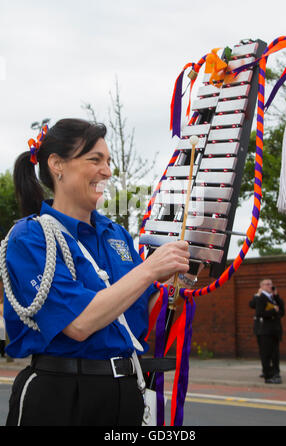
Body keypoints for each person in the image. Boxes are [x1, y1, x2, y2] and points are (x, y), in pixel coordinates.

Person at [1, 118, 191, 426]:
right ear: (57, 165)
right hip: (62, 395)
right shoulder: (29, 237)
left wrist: (179, 281)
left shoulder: (116, 233)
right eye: (95, 159)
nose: (107, 171)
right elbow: (79, 324)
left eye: (108, 161)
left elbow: (142, 314)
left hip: (126, 390)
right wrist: (150, 270)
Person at [255, 279, 285, 384]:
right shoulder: (261, 298)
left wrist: (276, 296)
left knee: (275, 354)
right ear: (262, 286)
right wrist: (274, 311)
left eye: (271, 284)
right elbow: (259, 313)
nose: (270, 286)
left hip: (275, 330)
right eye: (267, 284)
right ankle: (268, 376)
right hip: (265, 331)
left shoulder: (273, 298)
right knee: (266, 354)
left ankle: (275, 373)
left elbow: (282, 311)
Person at [249, 287, 263, 377]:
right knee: (263, 351)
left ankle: (273, 371)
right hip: (260, 329)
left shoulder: (271, 296)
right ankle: (266, 370)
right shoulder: (258, 297)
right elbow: (252, 305)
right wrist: (257, 295)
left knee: (271, 352)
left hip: (269, 329)